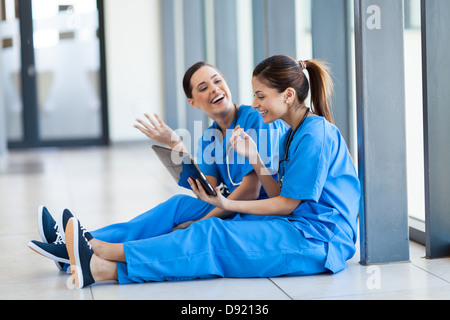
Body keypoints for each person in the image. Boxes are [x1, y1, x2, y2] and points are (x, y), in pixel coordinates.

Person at [27, 62, 286, 288]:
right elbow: (209, 190)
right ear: (193, 102)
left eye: (217, 81)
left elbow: (251, 192)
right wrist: (176, 145)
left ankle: (78, 248)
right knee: (177, 206)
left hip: (255, 209)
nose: (214, 89)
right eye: (203, 87)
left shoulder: (253, 119)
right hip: (232, 205)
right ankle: (78, 244)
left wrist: (198, 221)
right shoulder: (210, 136)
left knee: (201, 226)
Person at [190, 55, 361, 277]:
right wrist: (254, 157)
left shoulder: (316, 134)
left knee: (213, 234)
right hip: (299, 224)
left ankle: (131, 256)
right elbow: (279, 195)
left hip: (321, 237)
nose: (254, 104)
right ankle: (131, 253)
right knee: (212, 229)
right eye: (254, 96)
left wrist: (226, 204)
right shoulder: (290, 135)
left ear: (289, 96)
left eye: (260, 96)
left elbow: (286, 204)